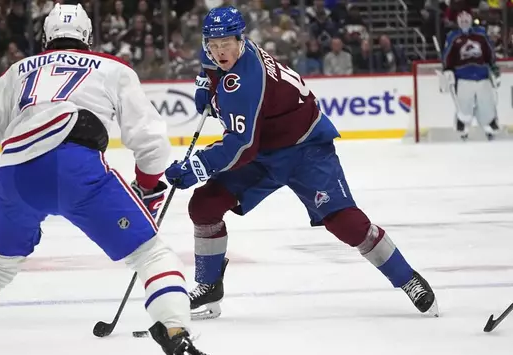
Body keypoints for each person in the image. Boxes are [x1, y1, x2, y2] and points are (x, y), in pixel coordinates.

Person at [0, 5, 229, 355]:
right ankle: (181, 347)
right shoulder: (112, 68)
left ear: (44, 39)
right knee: (151, 254)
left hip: (16, 171)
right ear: (89, 39)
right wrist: (146, 183)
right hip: (76, 166)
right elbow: (150, 138)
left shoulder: (19, 71)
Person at [165, 6, 439, 321]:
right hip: (266, 148)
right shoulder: (221, 50)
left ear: (241, 39)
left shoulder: (245, 81)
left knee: (347, 224)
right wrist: (204, 83)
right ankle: (209, 286)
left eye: (225, 43)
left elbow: (241, 145)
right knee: (204, 206)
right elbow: (208, 64)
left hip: (305, 150)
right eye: (213, 44)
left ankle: (407, 278)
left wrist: (196, 167)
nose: (218, 51)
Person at [441, 11, 499, 141]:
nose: (464, 22)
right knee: (464, 105)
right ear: (458, 22)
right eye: (462, 21)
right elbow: (447, 55)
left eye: (467, 20)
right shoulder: (453, 36)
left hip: (482, 75)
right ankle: (463, 127)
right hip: (463, 77)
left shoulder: (481, 34)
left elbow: (490, 52)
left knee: (487, 103)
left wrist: (494, 67)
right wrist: (447, 69)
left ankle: (489, 124)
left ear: (471, 20)